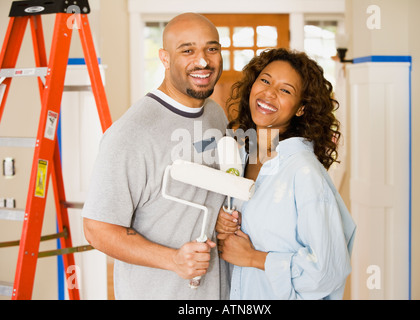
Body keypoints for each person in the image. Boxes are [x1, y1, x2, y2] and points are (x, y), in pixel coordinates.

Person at [82, 13, 230, 299]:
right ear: (164, 58)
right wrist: (173, 259)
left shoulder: (215, 115)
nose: (203, 61)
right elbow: (97, 229)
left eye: (211, 49)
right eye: (187, 50)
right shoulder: (131, 133)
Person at [216, 48, 356, 300]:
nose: (269, 93)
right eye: (265, 80)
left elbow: (328, 270)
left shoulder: (304, 172)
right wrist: (220, 225)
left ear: (301, 108)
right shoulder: (241, 157)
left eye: (285, 90)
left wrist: (253, 258)